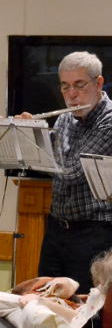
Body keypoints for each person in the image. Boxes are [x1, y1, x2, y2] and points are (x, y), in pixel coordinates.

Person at [21, 51, 112, 293]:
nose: (72, 95)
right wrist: (24, 134)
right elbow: (52, 167)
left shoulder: (109, 121)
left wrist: (36, 140)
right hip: (56, 228)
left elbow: (71, 172)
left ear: (98, 83)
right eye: (65, 87)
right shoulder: (64, 120)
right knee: (43, 302)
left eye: (79, 85)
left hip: (94, 233)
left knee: (82, 311)